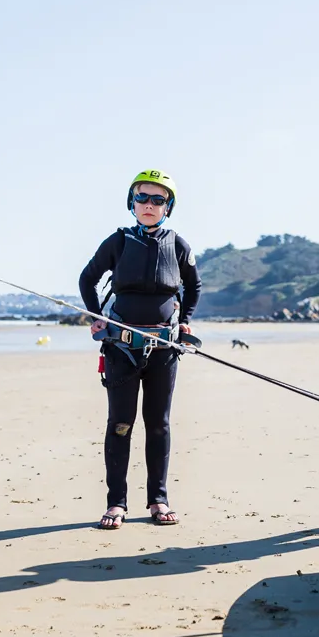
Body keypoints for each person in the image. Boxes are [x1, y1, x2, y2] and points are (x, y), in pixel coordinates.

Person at [78, 170, 203, 529]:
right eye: (142, 198)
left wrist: (185, 321)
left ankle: (158, 501)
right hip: (121, 348)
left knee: (158, 424)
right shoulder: (118, 242)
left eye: (158, 200)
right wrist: (96, 317)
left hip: (164, 348)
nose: (149, 205)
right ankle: (116, 503)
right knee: (120, 423)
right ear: (131, 203)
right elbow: (88, 278)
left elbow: (193, 287)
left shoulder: (178, 244)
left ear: (169, 206)